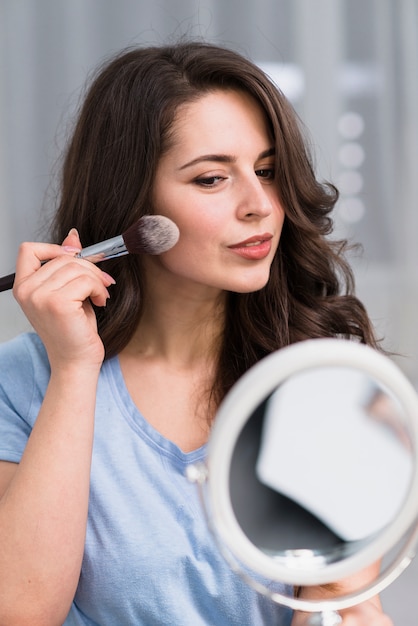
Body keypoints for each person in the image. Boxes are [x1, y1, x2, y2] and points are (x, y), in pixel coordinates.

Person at [0, 40, 393, 625]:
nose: (259, 204)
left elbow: (345, 606)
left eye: (267, 171)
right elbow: (20, 612)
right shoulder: (25, 379)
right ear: (132, 201)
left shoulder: (316, 376)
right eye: (211, 179)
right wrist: (76, 369)